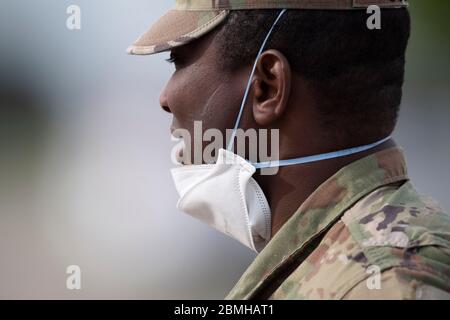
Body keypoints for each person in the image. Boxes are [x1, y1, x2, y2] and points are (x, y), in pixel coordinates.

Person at [128, 0, 450, 299]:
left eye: (178, 61)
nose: (164, 98)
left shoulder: (384, 282)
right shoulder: (350, 267)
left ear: (268, 86)